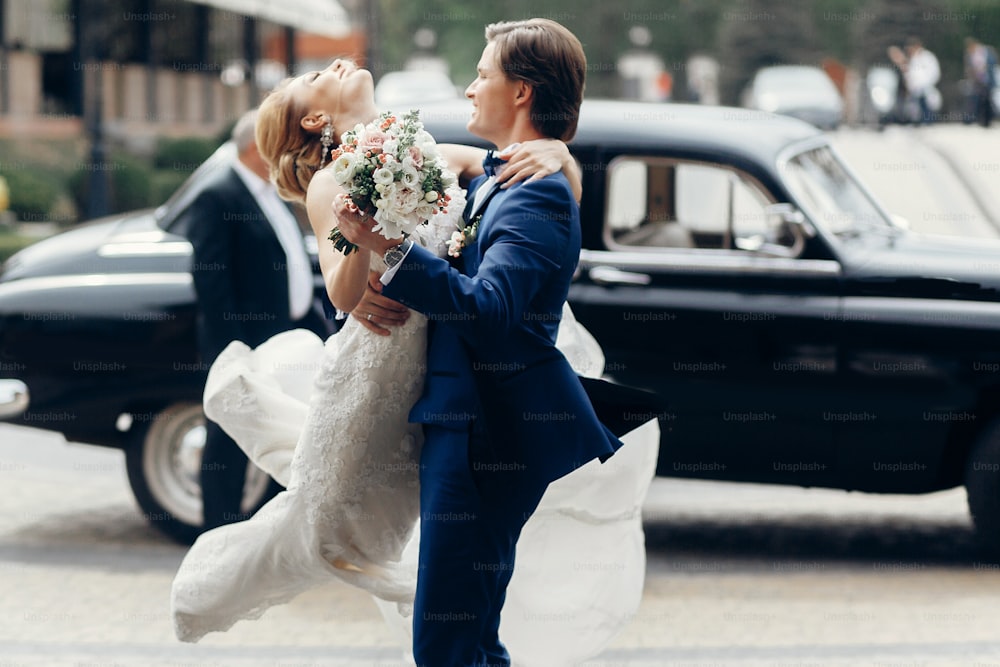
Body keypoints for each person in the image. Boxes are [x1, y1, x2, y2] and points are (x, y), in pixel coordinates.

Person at [170, 48, 659, 665]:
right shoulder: (331, 180)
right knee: (338, 516)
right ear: (317, 122)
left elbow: (501, 180)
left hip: (457, 376)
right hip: (402, 363)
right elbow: (343, 291)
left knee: (459, 606)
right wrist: (369, 242)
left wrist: (561, 154)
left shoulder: (418, 142)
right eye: (319, 77)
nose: (340, 63)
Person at [335, 18, 656, 666]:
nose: (470, 86)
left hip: (487, 433)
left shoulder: (535, 198)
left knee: (446, 640)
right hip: (471, 424)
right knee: (471, 632)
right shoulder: (505, 180)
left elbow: (489, 311)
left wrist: (389, 249)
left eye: (483, 74)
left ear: (521, 91)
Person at [177, 109, 331, 531]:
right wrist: (235, 348)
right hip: (245, 344)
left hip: (283, 336)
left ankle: (270, 529)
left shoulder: (268, 191)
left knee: (279, 433)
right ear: (255, 147)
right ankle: (217, 533)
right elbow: (211, 279)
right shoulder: (218, 194)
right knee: (227, 442)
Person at [888, 37, 941, 124]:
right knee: (915, 111)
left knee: (927, 108)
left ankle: (928, 123)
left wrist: (924, 84)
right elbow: (910, 76)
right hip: (915, 90)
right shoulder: (913, 60)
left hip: (926, 89)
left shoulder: (928, 57)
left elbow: (934, 73)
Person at [965, 36, 997, 127]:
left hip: (987, 81)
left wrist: (985, 68)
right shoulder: (970, 55)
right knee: (979, 101)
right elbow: (969, 69)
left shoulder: (986, 51)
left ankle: (988, 120)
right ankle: (980, 120)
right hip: (978, 82)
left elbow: (992, 64)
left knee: (987, 101)